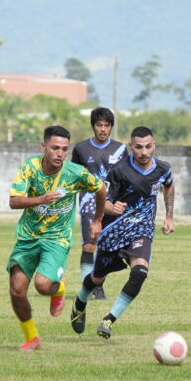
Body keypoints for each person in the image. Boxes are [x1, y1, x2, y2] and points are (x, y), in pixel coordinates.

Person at [70, 126, 175, 340]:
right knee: (97, 279)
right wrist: (110, 208)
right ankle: (80, 302)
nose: (144, 152)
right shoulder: (118, 171)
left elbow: (169, 186)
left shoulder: (163, 168)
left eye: (148, 146)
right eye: (138, 147)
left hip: (141, 230)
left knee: (140, 273)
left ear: (154, 145)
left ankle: (109, 319)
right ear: (131, 147)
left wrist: (169, 216)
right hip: (114, 231)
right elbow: (103, 200)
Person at [7, 125, 106, 351]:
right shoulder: (30, 167)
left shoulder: (75, 173)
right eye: (55, 148)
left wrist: (97, 219)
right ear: (43, 147)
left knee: (43, 285)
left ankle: (58, 288)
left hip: (57, 239)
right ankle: (32, 338)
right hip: (28, 237)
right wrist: (41, 199)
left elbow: (100, 190)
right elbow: (14, 201)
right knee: (17, 290)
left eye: (64, 149)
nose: (60, 154)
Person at [71, 107, 127, 300]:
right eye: (99, 125)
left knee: (109, 248)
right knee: (89, 246)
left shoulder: (120, 149)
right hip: (89, 204)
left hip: (113, 206)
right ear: (93, 126)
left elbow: (127, 177)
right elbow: (73, 177)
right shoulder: (81, 148)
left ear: (111, 127)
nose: (103, 129)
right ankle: (91, 288)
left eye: (106, 125)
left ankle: (98, 282)